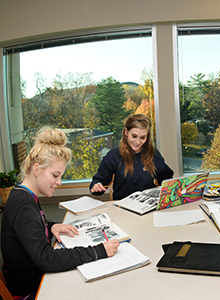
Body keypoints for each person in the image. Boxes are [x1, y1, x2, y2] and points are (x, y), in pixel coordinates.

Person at [1, 127, 120, 300]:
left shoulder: (23, 194)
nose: (59, 182)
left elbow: (30, 227)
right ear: (36, 169)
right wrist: (98, 251)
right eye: (55, 175)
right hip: (31, 291)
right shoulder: (23, 205)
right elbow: (46, 259)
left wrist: (51, 225)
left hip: (32, 280)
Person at [90, 114, 174, 200]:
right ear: (126, 132)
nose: (137, 142)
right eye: (134, 136)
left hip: (148, 205)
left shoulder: (153, 154)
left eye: (142, 137)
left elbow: (166, 178)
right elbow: (99, 181)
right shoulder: (113, 156)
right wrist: (97, 186)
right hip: (122, 206)